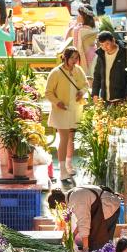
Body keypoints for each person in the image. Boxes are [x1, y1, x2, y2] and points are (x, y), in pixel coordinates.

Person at [45, 48, 88, 182]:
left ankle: (69, 165)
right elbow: (48, 92)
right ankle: (62, 169)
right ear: (65, 57)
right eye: (72, 58)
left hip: (75, 108)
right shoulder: (56, 72)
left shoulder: (78, 70)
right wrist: (57, 102)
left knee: (71, 138)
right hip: (61, 110)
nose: (74, 61)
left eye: (76, 58)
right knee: (63, 139)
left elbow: (85, 85)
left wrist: (81, 92)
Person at [48, 186, 123, 251]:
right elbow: (82, 219)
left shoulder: (75, 199)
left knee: (98, 244)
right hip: (107, 206)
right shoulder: (72, 195)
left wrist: (85, 250)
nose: (63, 210)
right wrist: (73, 235)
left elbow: (84, 224)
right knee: (98, 245)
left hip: (110, 207)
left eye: (60, 209)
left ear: (61, 204)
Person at [91, 31, 127, 102]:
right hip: (105, 99)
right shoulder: (101, 54)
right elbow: (97, 75)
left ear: (113, 40)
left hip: (122, 99)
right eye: (102, 45)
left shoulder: (125, 53)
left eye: (107, 44)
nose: (105, 48)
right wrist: (95, 93)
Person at [68, 5, 98, 74]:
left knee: (85, 76)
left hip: (84, 56)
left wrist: (76, 23)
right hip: (93, 55)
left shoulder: (80, 30)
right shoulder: (94, 28)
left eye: (79, 14)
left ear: (84, 16)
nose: (78, 16)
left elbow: (70, 33)